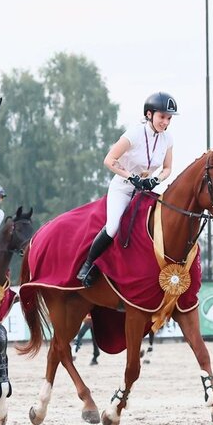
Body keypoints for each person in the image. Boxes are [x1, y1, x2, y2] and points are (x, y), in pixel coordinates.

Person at [76, 91, 177, 287]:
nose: (165, 122)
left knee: (151, 230)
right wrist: (131, 177)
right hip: (123, 188)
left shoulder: (168, 139)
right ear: (149, 114)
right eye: (162, 117)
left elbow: (167, 168)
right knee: (114, 227)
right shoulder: (134, 134)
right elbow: (109, 160)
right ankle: (88, 265)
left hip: (145, 192)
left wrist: (155, 180)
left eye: (169, 118)